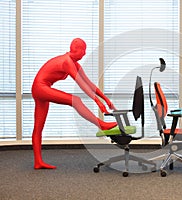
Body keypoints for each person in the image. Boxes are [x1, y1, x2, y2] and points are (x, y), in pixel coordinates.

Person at [31, 38, 117, 169]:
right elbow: (81, 85)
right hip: (40, 88)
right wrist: (97, 102)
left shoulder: (74, 63)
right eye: (84, 51)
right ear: (77, 50)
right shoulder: (67, 62)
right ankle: (101, 124)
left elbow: (89, 84)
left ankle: (38, 162)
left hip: (41, 89)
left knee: (38, 127)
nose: (84, 54)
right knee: (75, 100)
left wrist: (106, 99)